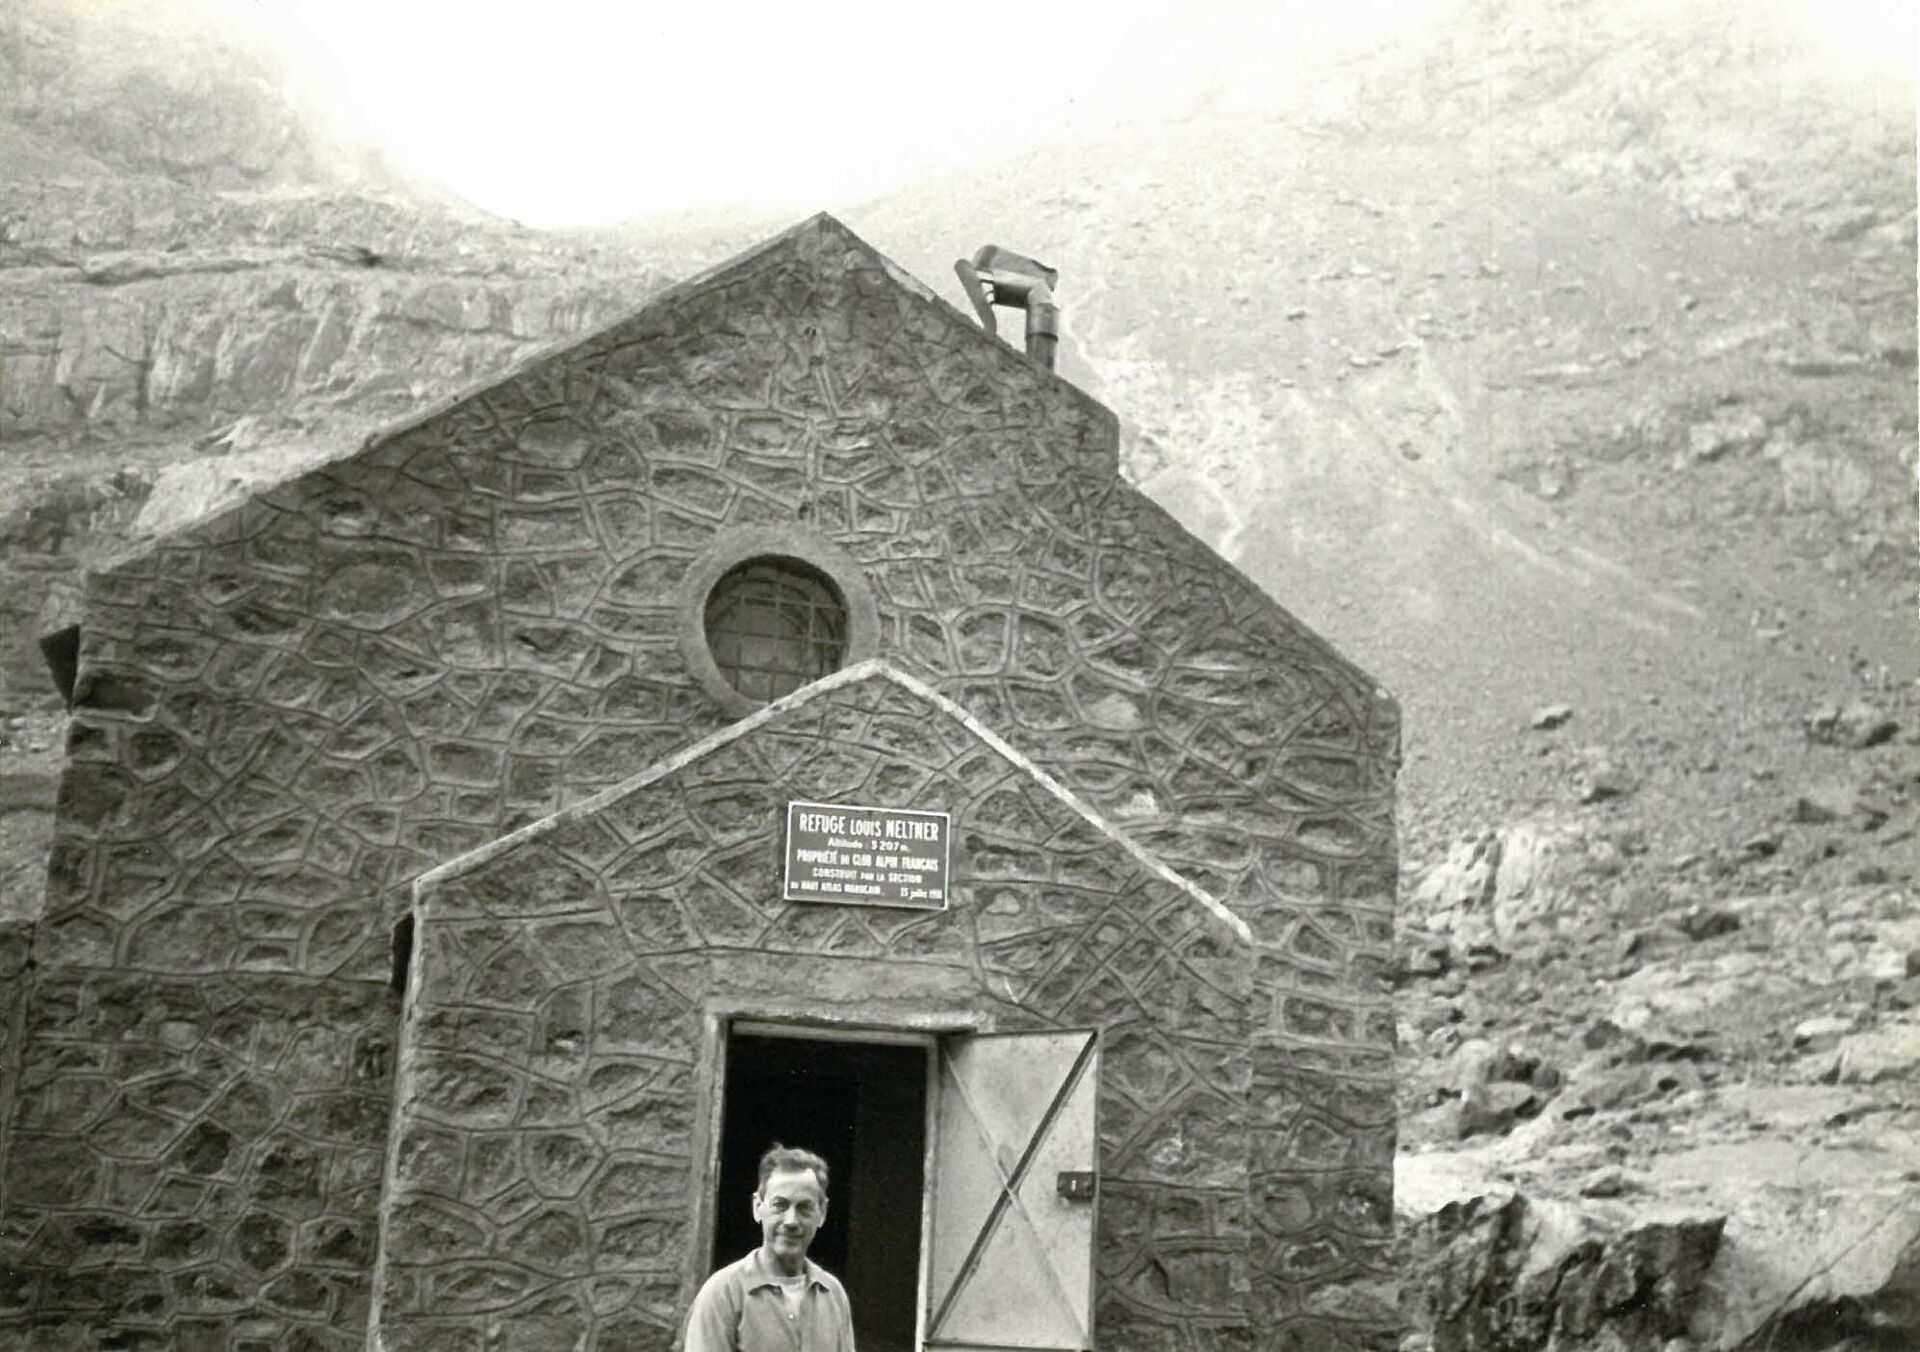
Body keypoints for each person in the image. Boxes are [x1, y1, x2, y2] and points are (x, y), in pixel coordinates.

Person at [684, 1144, 856, 1352]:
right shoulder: (722, 1294)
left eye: (804, 1208)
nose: (791, 1221)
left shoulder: (833, 1295)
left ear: (822, 1212)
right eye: (780, 1205)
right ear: (758, 1207)